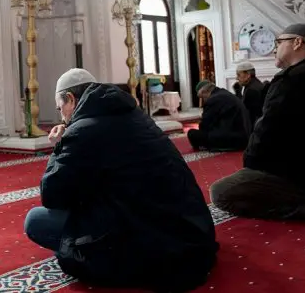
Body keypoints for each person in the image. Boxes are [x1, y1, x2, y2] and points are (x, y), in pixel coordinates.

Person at [24, 68, 218, 291]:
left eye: (61, 110)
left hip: (155, 249)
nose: (62, 117)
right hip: (192, 234)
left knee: (36, 221)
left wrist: (59, 145)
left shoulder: (81, 131)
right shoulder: (134, 115)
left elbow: (52, 195)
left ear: (70, 99)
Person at [211, 24, 305, 220]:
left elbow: (266, 133)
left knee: (221, 193)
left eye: (279, 42)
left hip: (303, 178)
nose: (275, 48)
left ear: (297, 42)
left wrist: (251, 165)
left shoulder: (290, 81)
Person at [187, 80, 251, 152]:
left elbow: (204, 126)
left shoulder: (213, 100)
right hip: (243, 137)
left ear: (204, 92)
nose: (203, 100)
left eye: (202, 97)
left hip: (232, 140)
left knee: (192, 133)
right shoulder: (225, 93)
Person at [232, 62, 265, 129]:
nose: (237, 78)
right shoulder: (254, 84)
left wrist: (238, 92)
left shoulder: (252, 90)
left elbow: (243, 111)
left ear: (248, 75)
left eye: (238, 75)